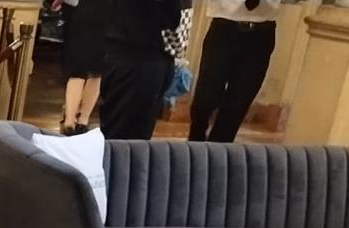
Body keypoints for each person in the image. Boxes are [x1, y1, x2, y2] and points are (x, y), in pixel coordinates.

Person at [96, 0, 190, 140]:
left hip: (137, 50)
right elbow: (175, 17)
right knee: (126, 140)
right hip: (140, 53)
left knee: (126, 137)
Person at [189, 0, 280, 142]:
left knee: (239, 101)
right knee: (205, 96)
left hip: (262, 31)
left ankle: (219, 148)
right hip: (224, 26)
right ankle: (195, 140)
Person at [55, 0, 112, 135]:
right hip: (106, 14)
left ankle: (71, 121)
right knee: (95, 70)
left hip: (84, 12)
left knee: (80, 70)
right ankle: (82, 119)